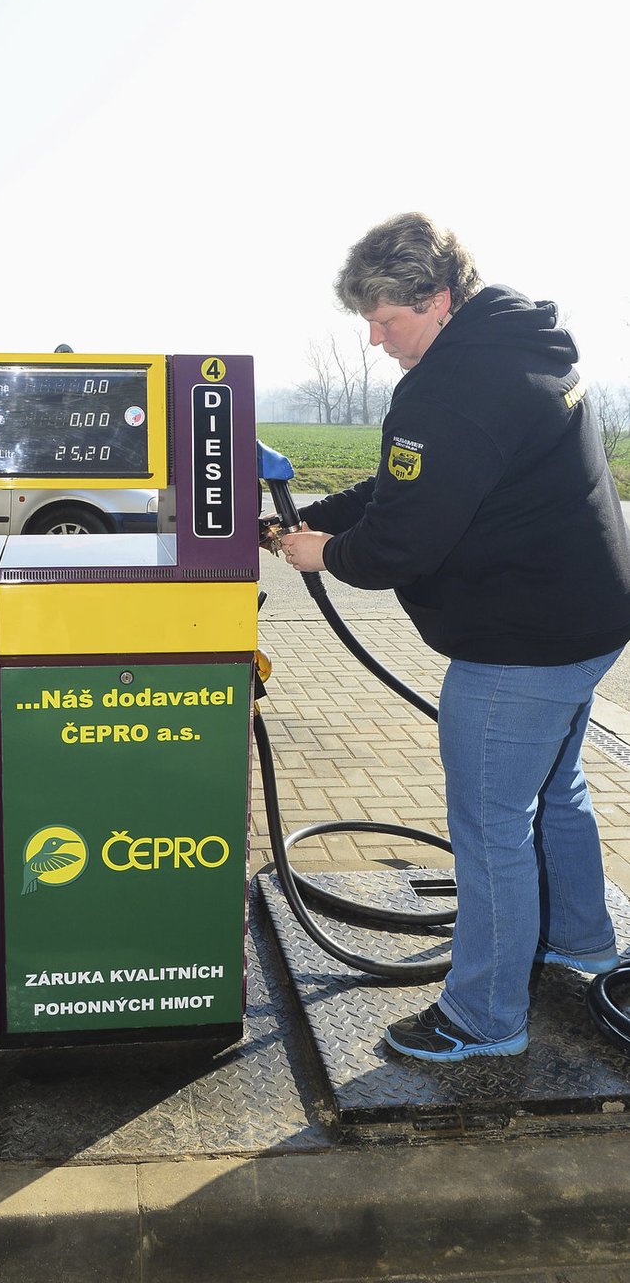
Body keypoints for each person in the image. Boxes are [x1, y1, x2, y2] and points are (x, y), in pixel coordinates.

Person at [280, 212, 630, 1062]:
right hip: (592, 620)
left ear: (437, 301)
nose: (374, 339)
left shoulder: (450, 387)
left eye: (387, 320)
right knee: (559, 789)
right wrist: (312, 515)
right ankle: (582, 940)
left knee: (489, 826)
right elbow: (413, 481)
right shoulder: (522, 344)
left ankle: (484, 1017)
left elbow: (400, 541)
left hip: (521, 645)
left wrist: (320, 550)